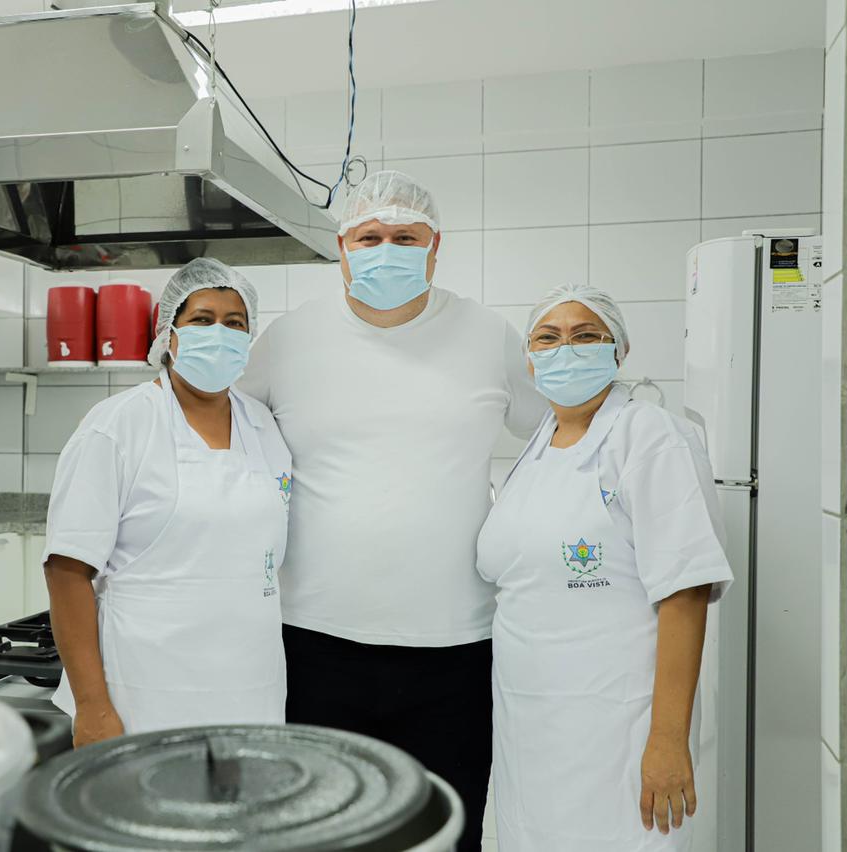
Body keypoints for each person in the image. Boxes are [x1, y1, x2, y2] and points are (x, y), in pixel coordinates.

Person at [237, 170, 546, 850]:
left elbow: (561, 432)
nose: (387, 250)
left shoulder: (488, 336)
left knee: (443, 833)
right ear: (342, 248)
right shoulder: (289, 340)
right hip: (314, 643)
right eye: (369, 236)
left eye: (406, 237)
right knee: (319, 834)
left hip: (457, 649)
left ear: (436, 248)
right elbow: (217, 425)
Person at [476, 284, 734, 851]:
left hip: (622, 729)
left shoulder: (649, 434)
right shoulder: (539, 445)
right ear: (529, 358)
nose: (565, 349)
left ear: (619, 350)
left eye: (585, 335)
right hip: (532, 731)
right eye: (548, 338)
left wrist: (667, 740)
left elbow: (686, 592)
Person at [43, 258, 292, 747]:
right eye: (202, 319)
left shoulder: (263, 426)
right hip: (144, 692)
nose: (219, 334)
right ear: (169, 333)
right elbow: (67, 571)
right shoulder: (117, 426)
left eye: (234, 323)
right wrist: (92, 707)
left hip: (251, 687)